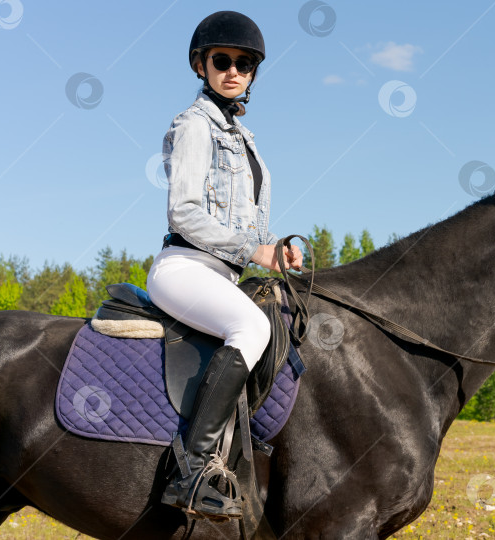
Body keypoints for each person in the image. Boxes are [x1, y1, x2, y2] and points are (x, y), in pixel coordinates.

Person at [146, 10, 303, 520]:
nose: (233, 71)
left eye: (244, 64)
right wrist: (250, 252)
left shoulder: (247, 143)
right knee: (252, 327)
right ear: (201, 65)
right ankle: (190, 471)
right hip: (185, 267)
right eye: (222, 61)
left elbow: (252, 228)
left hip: (220, 273)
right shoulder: (194, 126)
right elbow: (185, 212)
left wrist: (275, 247)